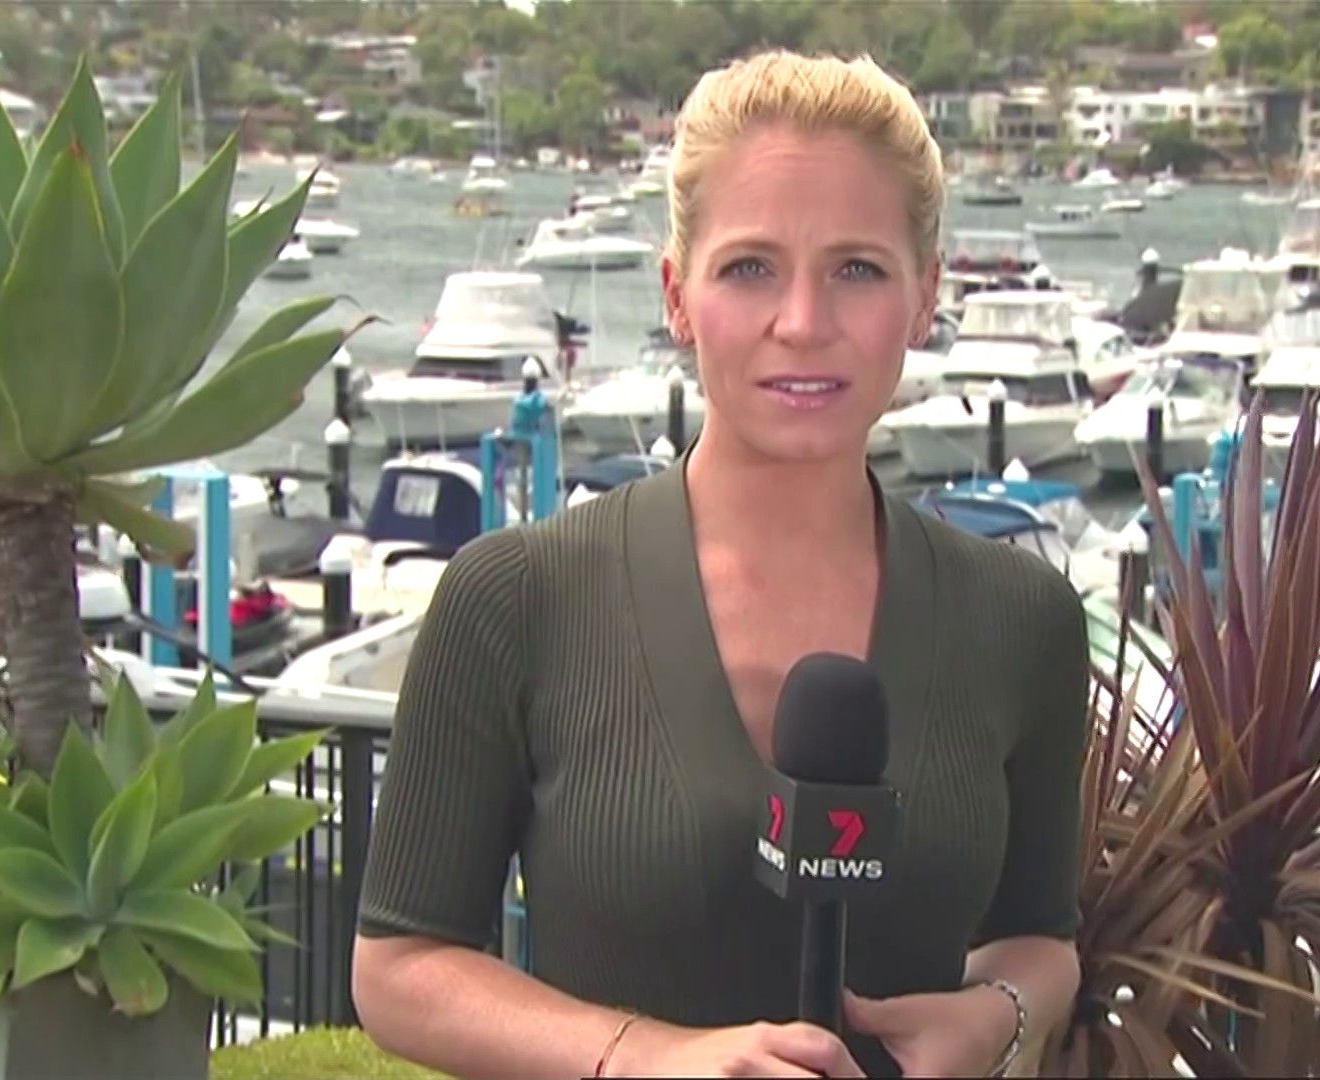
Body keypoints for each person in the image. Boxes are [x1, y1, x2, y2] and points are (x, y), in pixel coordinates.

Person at [352, 49, 1089, 1079]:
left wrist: (995, 1019)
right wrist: (646, 1058)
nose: (804, 324)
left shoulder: (1025, 619)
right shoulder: (516, 598)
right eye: (750, 268)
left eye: (858, 270)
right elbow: (399, 966)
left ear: (925, 297)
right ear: (677, 295)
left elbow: (1043, 940)